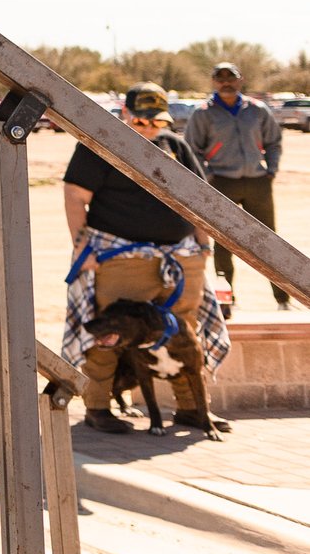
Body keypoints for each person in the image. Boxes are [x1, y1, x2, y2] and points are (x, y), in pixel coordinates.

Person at [63, 84, 229, 434]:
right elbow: (75, 196)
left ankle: (192, 410)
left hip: (180, 257)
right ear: (126, 112)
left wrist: (203, 247)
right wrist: (82, 248)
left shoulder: (175, 144)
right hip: (121, 257)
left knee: (185, 333)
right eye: (141, 120)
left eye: (157, 121)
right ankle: (97, 407)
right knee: (109, 331)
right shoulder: (101, 143)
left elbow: (200, 200)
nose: (149, 127)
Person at [184, 60, 289, 311]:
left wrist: (271, 170)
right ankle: (226, 301)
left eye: (230, 78)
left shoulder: (257, 110)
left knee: (269, 241)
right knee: (224, 243)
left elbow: (274, 141)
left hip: (257, 183)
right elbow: (191, 149)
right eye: (220, 79)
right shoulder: (203, 113)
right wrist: (207, 177)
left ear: (240, 80)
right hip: (221, 184)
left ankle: (283, 299)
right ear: (214, 83)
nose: (226, 83)